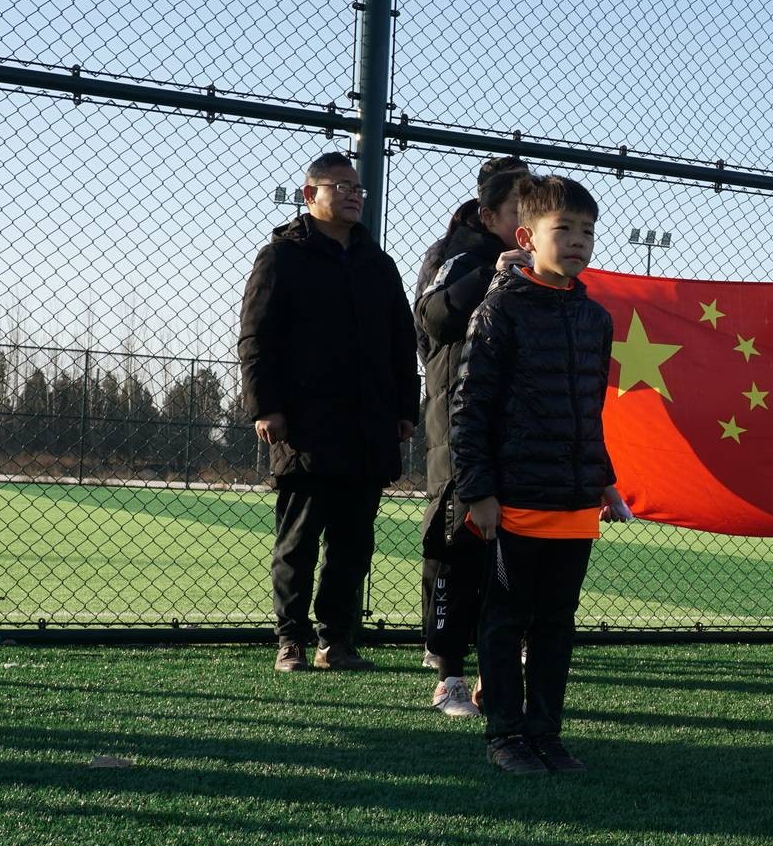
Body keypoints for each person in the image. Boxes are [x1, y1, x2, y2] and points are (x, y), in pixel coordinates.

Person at [451, 174, 625, 774]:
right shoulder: (498, 311)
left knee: (556, 623)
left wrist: (602, 480)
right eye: (564, 229)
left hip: (573, 502)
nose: (578, 241)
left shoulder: (595, 318)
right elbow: (468, 409)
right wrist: (478, 490)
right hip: (516, 499)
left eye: (587, 231)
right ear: (527, 236)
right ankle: (505, 735)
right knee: (505, 620)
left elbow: (589, 411)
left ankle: (547, 733)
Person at [238, 151, 419, 672]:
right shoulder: (281, 258)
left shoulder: (378, 264)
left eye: (357, 187)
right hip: (306, 425)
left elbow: (399, 345)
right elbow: (257, 338)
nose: (353, 194)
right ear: (308, 194)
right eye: (339, 186)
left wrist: (404, 409)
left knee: (354, 542)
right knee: (297, 539)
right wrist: (266, 406)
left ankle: (335, 640)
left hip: (368, 426)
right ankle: (290, 639)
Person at [413, 156, 529, 712]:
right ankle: (447, 668)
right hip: (460, 425)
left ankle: (498, 666)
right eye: (517, 214)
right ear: (488, 215)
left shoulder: (546, 265)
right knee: (457, 544)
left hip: (518, 433)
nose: (527, 226)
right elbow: (432, 318)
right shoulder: (457, 255)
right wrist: (491, 274)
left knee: (514, 550)